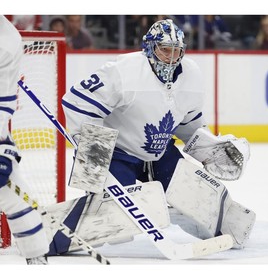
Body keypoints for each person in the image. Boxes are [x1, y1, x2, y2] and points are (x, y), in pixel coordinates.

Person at [59, 19, 255, 253]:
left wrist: (209, 150)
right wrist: (93, 159)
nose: (171, 57)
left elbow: (188, 124)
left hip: (159, 153)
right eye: (164, 50)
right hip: (118, 154)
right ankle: (48, 236)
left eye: (176, 51)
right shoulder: (125, 71)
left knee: (201, 197)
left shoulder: (191, 74)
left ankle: (204, 221)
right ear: (149, 48)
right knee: (113, 218)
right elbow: (77, 103)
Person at [0, 15, 49, 265]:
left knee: (15, 197)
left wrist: (1, 147)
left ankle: (37, 262)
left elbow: (1, 103)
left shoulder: (6, 40)